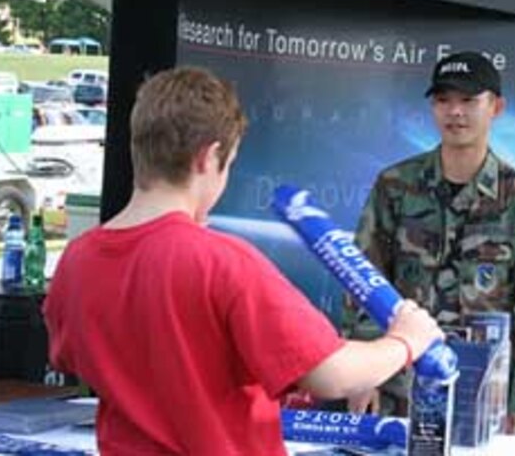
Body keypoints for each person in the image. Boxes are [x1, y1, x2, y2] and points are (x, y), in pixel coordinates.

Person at [43, 67, 444, 455]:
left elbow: (77, 357)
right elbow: (331, 373)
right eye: (229, 164)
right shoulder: (222, 262)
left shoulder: (77, 261)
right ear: (208, 157)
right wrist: (405, 340)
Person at [351, 51, 515, 437]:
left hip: (485, 391)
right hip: (402, 385)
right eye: (444, 100)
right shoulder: (396, 186)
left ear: (496, 107)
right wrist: (363, 373)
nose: (455, 112)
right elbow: (365, 281)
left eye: (468, 100)